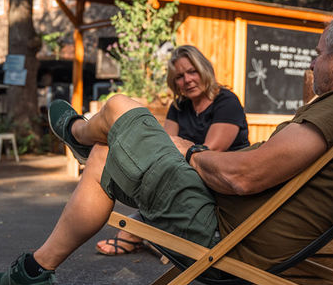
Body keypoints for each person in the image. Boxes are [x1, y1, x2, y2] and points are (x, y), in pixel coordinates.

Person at [0, 10, 333, 285]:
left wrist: (193, 153)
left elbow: (244, 176)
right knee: (107, 151)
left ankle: (74, 133)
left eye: (319, 52)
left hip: (223, 240)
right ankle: (36, 271)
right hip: (232, 224)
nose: (314, 61)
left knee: (120, 107)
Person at [95, 44, 249, 254]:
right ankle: (149, 231)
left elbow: (210, 151)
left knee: (162, 179)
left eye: (192, 71)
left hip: (221, 181)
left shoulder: (226, 102)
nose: (187, 80)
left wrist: (176, 151)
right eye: (179, 76)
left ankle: (139, 229)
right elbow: (163, 146)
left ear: (205, 69)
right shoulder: (179, 107)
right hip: (188, 174)